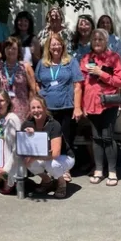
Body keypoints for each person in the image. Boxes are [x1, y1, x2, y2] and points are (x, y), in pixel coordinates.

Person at [80, 28, 121, 187]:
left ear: (106, 42)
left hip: (108, 104)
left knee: (107, 137)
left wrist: (101, 73)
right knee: (96, 138)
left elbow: (120, 81)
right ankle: (99, 170)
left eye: (100, 39)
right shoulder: (87, 58)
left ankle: (112, 172)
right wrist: (82, 105)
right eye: (94, 40)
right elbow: (82, 83)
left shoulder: (114, 57)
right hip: (91, 104)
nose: (97, 42)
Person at [35, 33, 83, 164]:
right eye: (53, 44)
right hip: (48, 109)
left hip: (66, 107)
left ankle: (65, 168)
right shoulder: (42, 64)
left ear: (62, 45)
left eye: (58, 43)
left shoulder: (71, 62)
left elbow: (78, 85)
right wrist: (42, 96)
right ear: (48, 47)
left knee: (65, 139)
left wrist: (77, 108)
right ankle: (50, 167)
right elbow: (37, 83)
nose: (56, 47)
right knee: (49, 139)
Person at [22, 96, 75, 198]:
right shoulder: (27, 125)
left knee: (52, 164)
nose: (36, 110)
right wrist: (27, 137)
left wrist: (33, 157)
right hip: (45, 157)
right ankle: (47, 181)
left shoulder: (54, 125)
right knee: (27, 161)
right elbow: (24, 149)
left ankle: (61, 183)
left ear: (45, 108)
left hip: (64, 157)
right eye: (33, 108)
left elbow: (55, 154)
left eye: (39, 107)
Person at [0, 36, 37, 122]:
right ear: (4, 50)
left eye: (14, 48)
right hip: (2, 108)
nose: (10, 51)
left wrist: (32, 107)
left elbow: (32, 89)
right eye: (8, 48)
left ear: (18, 50)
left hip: (21, 109)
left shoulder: (25, 66)